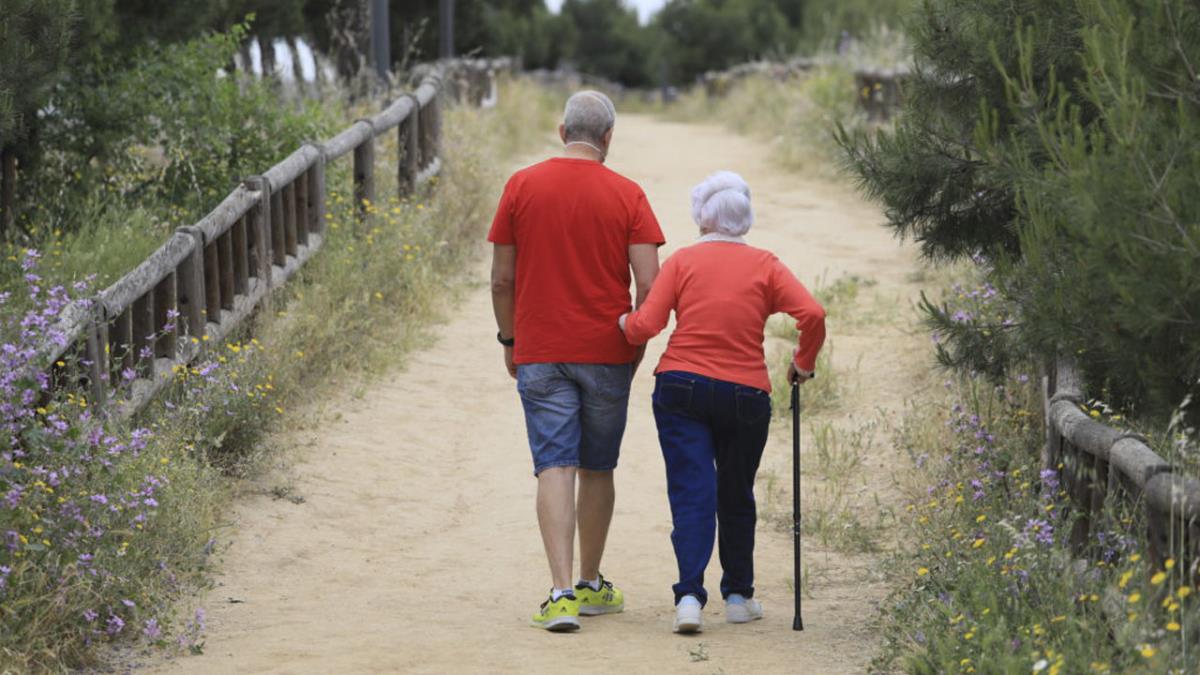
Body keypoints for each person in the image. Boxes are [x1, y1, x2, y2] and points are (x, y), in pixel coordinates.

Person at [618, 171, 826, 634]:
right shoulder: (767, 264)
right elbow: (812, 313)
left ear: (702, 217)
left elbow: (646, 325)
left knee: (693, 493)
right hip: (745, 394)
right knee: (736, 492)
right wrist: (803, 362)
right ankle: (737, 595)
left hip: (681, 386)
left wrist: (623, 325)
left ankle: (689, 599)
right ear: (745, 219)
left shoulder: (683, 261)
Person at [489, 90, 665, 632]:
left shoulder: (521, 186)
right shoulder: (629, 195)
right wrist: (632, 344)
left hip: (541, 351)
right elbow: (651, 287)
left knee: (554, 463)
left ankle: (560, 592)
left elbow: (501, 278)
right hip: (607, 353)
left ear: (563, 131)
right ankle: (591, 583)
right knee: (597, 466)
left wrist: (510, 341)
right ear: (608, 138)